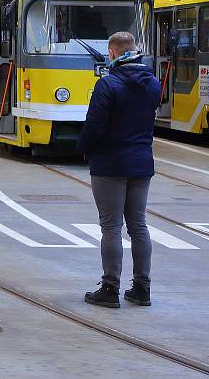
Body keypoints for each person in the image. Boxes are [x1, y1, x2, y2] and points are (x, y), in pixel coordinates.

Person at [78, 32, 161, 308]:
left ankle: (110, 288)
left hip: (110, 164)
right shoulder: (153, 84)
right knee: (139, 225)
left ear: (112, 53)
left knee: (111, 226)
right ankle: (142, 288)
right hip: (141, 163)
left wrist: (84, 148)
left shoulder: (108, 85)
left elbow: (94, 126)